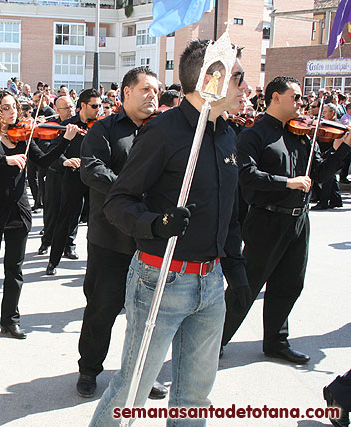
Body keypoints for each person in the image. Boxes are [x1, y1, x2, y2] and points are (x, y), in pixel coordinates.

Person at [90, 40, 250, 426]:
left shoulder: (227, 135)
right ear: (213, 79)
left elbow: (228, 212)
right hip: (161, 278)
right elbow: (118, 202)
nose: (246, 87)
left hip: (210, 284)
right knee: (132, 390)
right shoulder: (163, 132)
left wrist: (236, 268)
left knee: (194, 396)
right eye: (239, 78)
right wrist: (157, 225)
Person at [221, 76, 351, 364]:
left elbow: (318, 173)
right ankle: (214, 341)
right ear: (276, 98)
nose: (301, 103)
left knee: (290, 283)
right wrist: (286, 183)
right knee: (247, 286)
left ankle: (276, 341)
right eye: (295, 97)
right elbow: (245, 175)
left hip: (298, 220)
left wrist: (344, 147)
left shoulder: (303, 134)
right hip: (266, 220)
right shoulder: (253, 135)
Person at [77, 67, 168, 401]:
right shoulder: (104, 130)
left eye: (156, 91)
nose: (152, 97)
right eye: (145, 89)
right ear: (126, 92)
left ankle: (144, 373)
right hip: (111, 238)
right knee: (102, 308)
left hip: (151, 239)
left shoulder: (162, 131)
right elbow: (93, 170)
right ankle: (88, 369)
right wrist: (132, 192)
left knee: (149, 316)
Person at [0, 90, 75, 339]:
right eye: (5, 107)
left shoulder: (24, 134)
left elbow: (44, 161)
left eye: (14, 107)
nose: (12, 111)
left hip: (18, 209)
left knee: (15, 268)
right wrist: (6, 160)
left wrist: (65, 140)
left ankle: (10, 320)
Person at [45, 89, 102, 275]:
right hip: (74, 176)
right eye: (94, 106)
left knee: (96, 222)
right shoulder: (68, 125)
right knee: (65, 218)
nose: (98, 110)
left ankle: (94, 264)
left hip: (96, 179)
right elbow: (54, 150)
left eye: (100, 106)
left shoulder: (102, 126)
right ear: (83, 106)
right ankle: (53, 261)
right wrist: (65, 161)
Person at [38, 95, 78, 256]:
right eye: (66, 108)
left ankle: (69, 245)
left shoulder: (79, 125)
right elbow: (48, 150)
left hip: (75, 174)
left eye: (71, 107)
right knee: (51, 210)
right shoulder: (52, 128)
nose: (70, 111)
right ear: (56, 110)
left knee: (73, 211)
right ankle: (47, 241)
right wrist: (64, 161)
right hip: (56, 174)